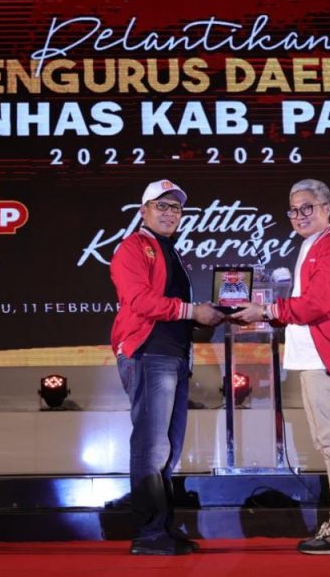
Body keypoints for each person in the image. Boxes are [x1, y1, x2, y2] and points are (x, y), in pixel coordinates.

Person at [230, 178, 330, 555]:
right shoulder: (313, 244)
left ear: (327, 208)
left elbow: (317, 304)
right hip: (315, 356)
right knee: (329, 441)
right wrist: (267, 312)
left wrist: (266, 311)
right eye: (294, 210)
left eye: (307, 207)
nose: (299, 215)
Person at [110, 179, 225, 556]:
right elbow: (140, 301)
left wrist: (216, 315)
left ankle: (162, 528)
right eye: (161, 205)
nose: (169, 213)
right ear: (143, 211)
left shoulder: (170, 251)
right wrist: (194, 312)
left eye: (175, 207)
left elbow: (177, 311)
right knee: (151, 446)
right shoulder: (132, 247)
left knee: (168, 448)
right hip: (148, 353)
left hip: (174, 356)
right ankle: (148, 535)